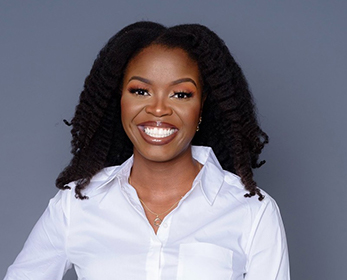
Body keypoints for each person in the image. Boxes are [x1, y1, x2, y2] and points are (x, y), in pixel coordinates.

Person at [5, 21, 290, 280]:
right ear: (119, 100)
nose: (158, 109)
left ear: (202, 107)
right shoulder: (76, 204)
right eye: (140, 91)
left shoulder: (253, 211)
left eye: (181, 94)